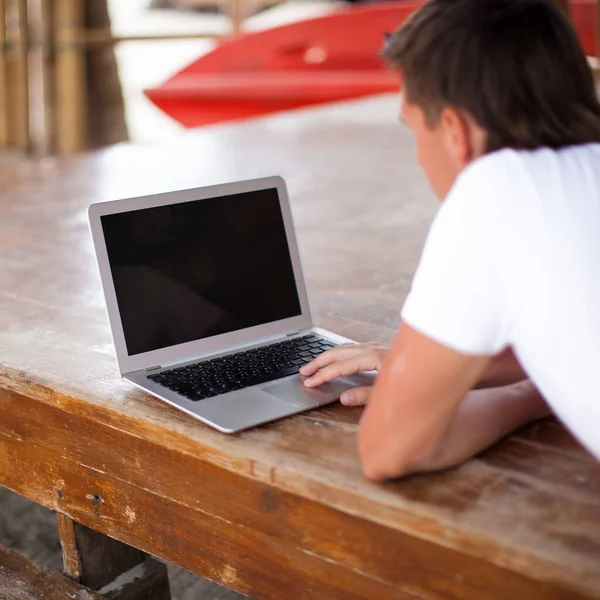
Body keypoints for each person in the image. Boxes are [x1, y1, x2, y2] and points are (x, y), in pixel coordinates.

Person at [300, 0, 600, 481]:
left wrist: (529, 394)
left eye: (414, 128)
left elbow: (388, 451)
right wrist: (414, 365)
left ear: (455, 131)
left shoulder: (498, 187)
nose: (419, 155)